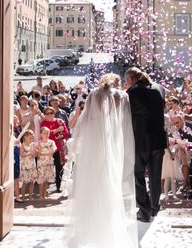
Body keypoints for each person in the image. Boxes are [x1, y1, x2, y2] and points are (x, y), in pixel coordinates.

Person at [64, 73, 137, 247]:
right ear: (117, 83)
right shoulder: (123, 96)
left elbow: (84, 120)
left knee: (92, 181)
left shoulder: (93, 94)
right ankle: (109, 223)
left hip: (93, 143)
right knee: (110, 180)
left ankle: (91, 225)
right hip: (112, 143)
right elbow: (126, 125)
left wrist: (76, 142)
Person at [124, 66, 168, 222]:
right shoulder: (160, 88)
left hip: (140, 141)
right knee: (155, 177)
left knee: (138, 175)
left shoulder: (131, 93)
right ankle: (154, 209)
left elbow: (126, 118)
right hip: (158, 139)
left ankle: (144, 211)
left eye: (125, 81)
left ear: (130, 79)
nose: (125, 84)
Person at [40, 107, 69, 192]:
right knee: (47, 168)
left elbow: (66, 133)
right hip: (47, 149)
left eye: (51, 113)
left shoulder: (59, 121)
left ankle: (59, 186)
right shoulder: (43, 123)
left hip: (59, 149)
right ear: (44, 115)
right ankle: (44, 189)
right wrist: (56, 131)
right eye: (47, 113)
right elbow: (46, 135)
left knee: (59, 167)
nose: (49, 115)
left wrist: (61, 135)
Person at [35, 126, 57, 200]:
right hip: (41, 163)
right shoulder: (38, 143)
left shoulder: (51, 142)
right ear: (41, 134)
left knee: (47, 179)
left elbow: (54, 149)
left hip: (49, 163)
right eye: (44, 133)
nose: (46, 134)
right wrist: (47, 153)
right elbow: (38, 153)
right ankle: (41, 195)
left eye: (47, 133)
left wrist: (51, 151)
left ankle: (44, 195)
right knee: (41, 180)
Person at [18, 130, 38, 202]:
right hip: (25, 166)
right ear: (25, 137)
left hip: (32, 164)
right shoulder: (22, 145)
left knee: (31, 182)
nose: (31, 140)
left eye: (32, 138)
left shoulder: (33, 145)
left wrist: (35, 153)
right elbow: (21, 155)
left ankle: (30, 197)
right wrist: (30, 154)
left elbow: (35, 155)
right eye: (30, 138)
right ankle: (23, 197)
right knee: (25, 182)